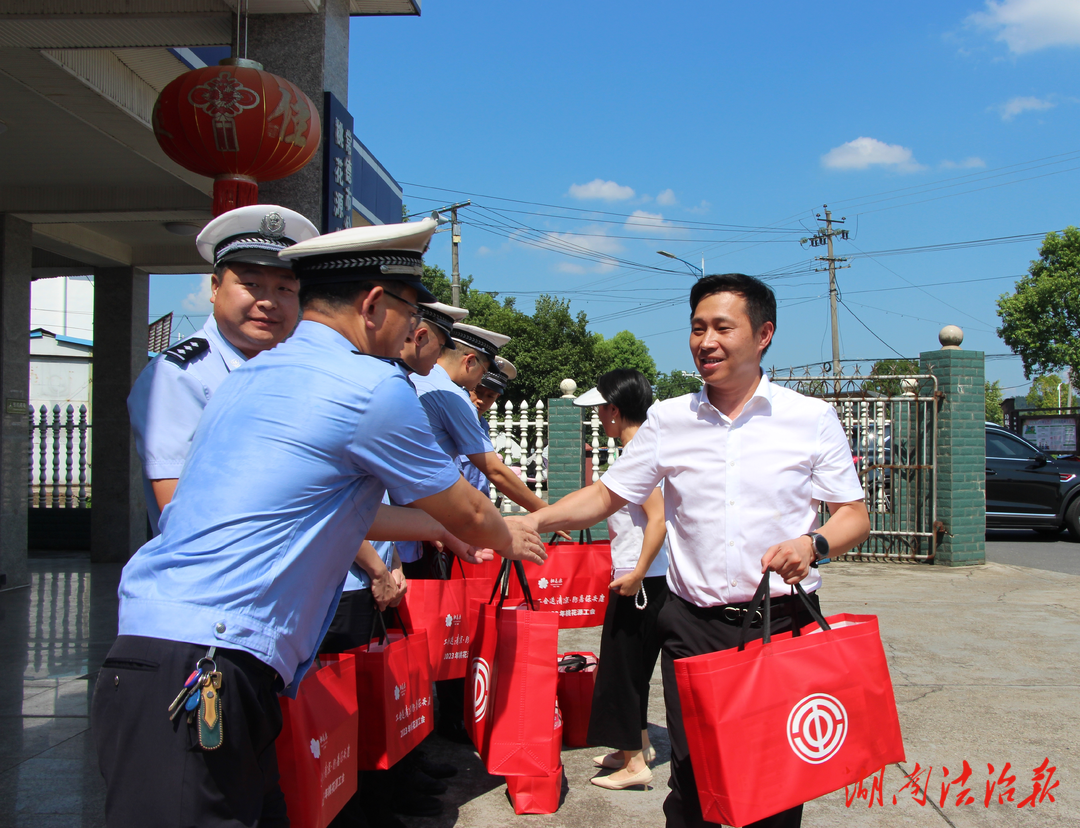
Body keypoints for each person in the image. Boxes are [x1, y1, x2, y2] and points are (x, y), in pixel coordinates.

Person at [92, 217, 546, 827]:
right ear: (373, 303)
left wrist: (440, 533)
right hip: (202, 664)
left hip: (188, 657)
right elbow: (464, 502)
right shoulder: (369, 387)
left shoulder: (254, 375)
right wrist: (503, 534)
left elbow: (330, 512)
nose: (416, 329)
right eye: (412, 311)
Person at [520, 274, 870, 828]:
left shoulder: (809, 418)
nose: (706, 340)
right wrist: (532, 520)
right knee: (694, 781)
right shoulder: (669, 419)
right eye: (697, 328)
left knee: (775, 786)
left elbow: (854, 515)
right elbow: (609, 493)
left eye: (722, 327)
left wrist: (814, 544)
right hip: (692, 628)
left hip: (780, 625)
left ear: (763, 335)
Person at [128, 204, 319, 534]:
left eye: (285, 288)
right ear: (215, 288)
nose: (269, 302)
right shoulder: (180, 376)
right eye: (251, 284)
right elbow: (181, 510)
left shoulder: (298, 371)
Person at [572, 370, 670, 791]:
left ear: (614, 410)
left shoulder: (636, 455)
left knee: (620, 671)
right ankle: (635, 745)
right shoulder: (646, 450)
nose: (597, 416)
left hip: (640, 581)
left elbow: (658, 520)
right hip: (649, 577)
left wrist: (636, 573)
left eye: (599, 409)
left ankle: (634, 766)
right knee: (634, 669)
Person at [461, 356, 516, 497]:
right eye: (477, 392)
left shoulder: (483, 427)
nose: (481, 401)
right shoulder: (454, 423)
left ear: (497, 397)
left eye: (490, 396)